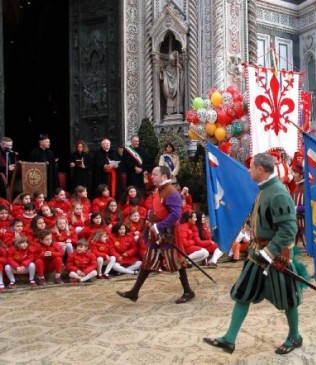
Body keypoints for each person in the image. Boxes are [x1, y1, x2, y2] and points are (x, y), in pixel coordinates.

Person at [203, 153, 304, 355]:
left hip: (276, 256)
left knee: (288, 298)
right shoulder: (264, 190)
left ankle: (295, 336)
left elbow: (288, 229)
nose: (248, 171)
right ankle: (229, 339)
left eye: (251, 168)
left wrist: (269, 253)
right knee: (243, 293)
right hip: (257, 255)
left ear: (260, 170)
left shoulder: (278, 193)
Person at [116, 165, 195, 304]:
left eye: (154, 174)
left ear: (163, 176)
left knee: (177, 262)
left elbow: (176, 214)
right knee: (148, 261)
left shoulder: (171, 192)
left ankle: (188, 291)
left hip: (168, 234)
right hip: (156, 233)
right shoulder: (160, 191)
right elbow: (158, 209)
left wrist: (159, 226)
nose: (151, 177)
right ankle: (134, 292)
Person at [28, 134, 59, 198]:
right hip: (38, 178)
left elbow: (53, 168)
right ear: (41, 142)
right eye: (47, 142)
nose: (49, 143)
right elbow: (29, 166)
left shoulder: (50, 153)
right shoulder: (34, 152)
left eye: (49, 142)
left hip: (49, 177)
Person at [160, 50, 183, 115]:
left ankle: (177, 111)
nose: (171, 62)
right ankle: (170, 113)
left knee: (178, 98)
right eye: (170, 61)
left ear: (176, 60)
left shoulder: (178, 67)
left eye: (173, 60)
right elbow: (165, 73)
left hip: (176, 86)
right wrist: (162, 71)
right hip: (169, 87)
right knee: (170, 100)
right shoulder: (168, 67)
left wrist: (180, 70)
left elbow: (182, 76)